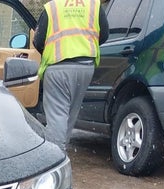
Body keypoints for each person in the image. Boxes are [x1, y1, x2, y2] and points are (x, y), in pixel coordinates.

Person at [33, 0, 109, 152]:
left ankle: (55, 155)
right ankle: (62, 148)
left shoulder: (53, 7)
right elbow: (104, 35)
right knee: (70, 113)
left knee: (57, 115)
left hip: (58, 67)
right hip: (85, 67)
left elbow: (38, 40)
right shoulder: (93, 5)